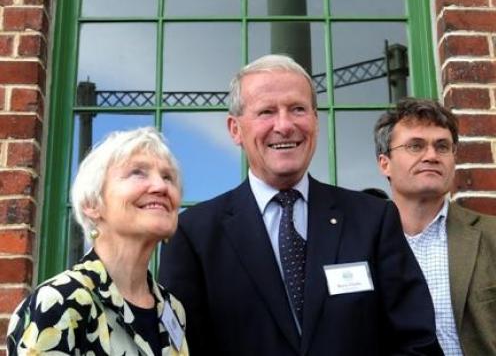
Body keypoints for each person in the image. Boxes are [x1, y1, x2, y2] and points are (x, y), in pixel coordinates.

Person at [160, 54, 443, 356]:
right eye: (266, 111)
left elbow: (417, 343)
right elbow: (182, 348)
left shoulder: (374, 219)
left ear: (315, 122)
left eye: (297, 109)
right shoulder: (194, 233)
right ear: (235, 129)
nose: (284, 125)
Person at [7, 127, 189, 355]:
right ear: (92, 204)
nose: (161, 187)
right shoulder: (59, 301)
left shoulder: (172, 310)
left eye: (168, 177)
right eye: (138, 173)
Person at [375, 98, 496, 356]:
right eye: (415, 146)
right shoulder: (357, 244)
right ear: (384, 163)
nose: (431, 155)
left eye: (442, 147)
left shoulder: (491, 236)